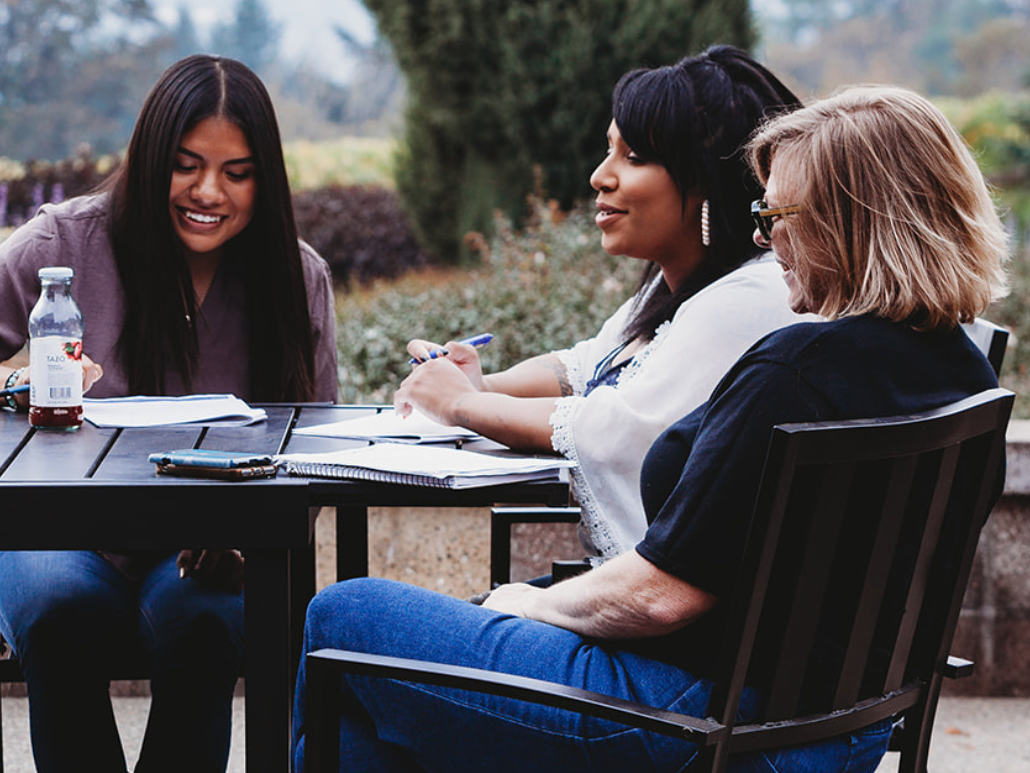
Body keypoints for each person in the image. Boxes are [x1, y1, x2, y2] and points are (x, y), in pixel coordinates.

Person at [292, 84, 1008, 773]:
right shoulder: (964, 376)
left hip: (691, 725)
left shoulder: (797, 372)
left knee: (346, 616)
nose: (767, 238)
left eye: (778, 214)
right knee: (378, 714)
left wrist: (529, 602)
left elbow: (659, 594)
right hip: (835, 733)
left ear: (848, 219)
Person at [0, 55, 337, 773]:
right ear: (151, 156)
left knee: (206, 621)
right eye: (186, 165)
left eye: (237, 173)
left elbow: (314, 446)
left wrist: (249, 536)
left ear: (264, 178)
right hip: (55, 537)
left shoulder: (295, 279)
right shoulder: (57, 249)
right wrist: (15, 382)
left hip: (206, 548)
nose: (209, 192)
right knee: (60, 609)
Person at [394, 45, 808, 560]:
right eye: (608, 150)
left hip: (659, 630)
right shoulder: (675, 288)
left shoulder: (751, 297)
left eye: (633, 157)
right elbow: (587, 365)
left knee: (347, 610)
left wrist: (462, 405)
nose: (600, 176)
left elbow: (614, 426)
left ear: (705, 179)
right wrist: (481, 382)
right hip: (642, 611)